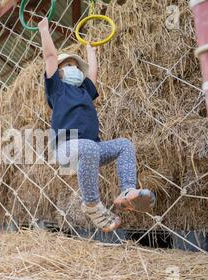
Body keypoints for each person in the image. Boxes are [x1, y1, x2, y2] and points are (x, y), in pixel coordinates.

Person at [38, 18, 155, 233]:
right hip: (66, 149)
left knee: (124, 145)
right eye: (67, 65)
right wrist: (44, 30)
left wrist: (90, 49)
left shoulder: (84, 91)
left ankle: (127, 192)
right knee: (89, 148)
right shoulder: (56, 89)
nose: (73, 68)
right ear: (59, 72)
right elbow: (50, 56)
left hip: (91, 149)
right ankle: (91, 204)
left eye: (75, 65)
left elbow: (93, 73)